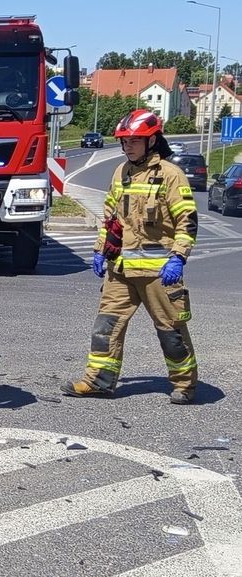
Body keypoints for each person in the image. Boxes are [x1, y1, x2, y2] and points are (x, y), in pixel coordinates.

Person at [61, 109, 198, 404]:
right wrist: (100, 251)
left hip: (159, 272)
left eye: (134, 140)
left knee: (170, 331)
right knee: (106, 327)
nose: (127, 146)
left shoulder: (171, 176)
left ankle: (184, 384)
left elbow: (187, 220)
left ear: (152, 141)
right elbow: (111, 218)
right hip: (120, 269)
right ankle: (98, 381)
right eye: (124, 141)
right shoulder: (121, 172)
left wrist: (178, 257)